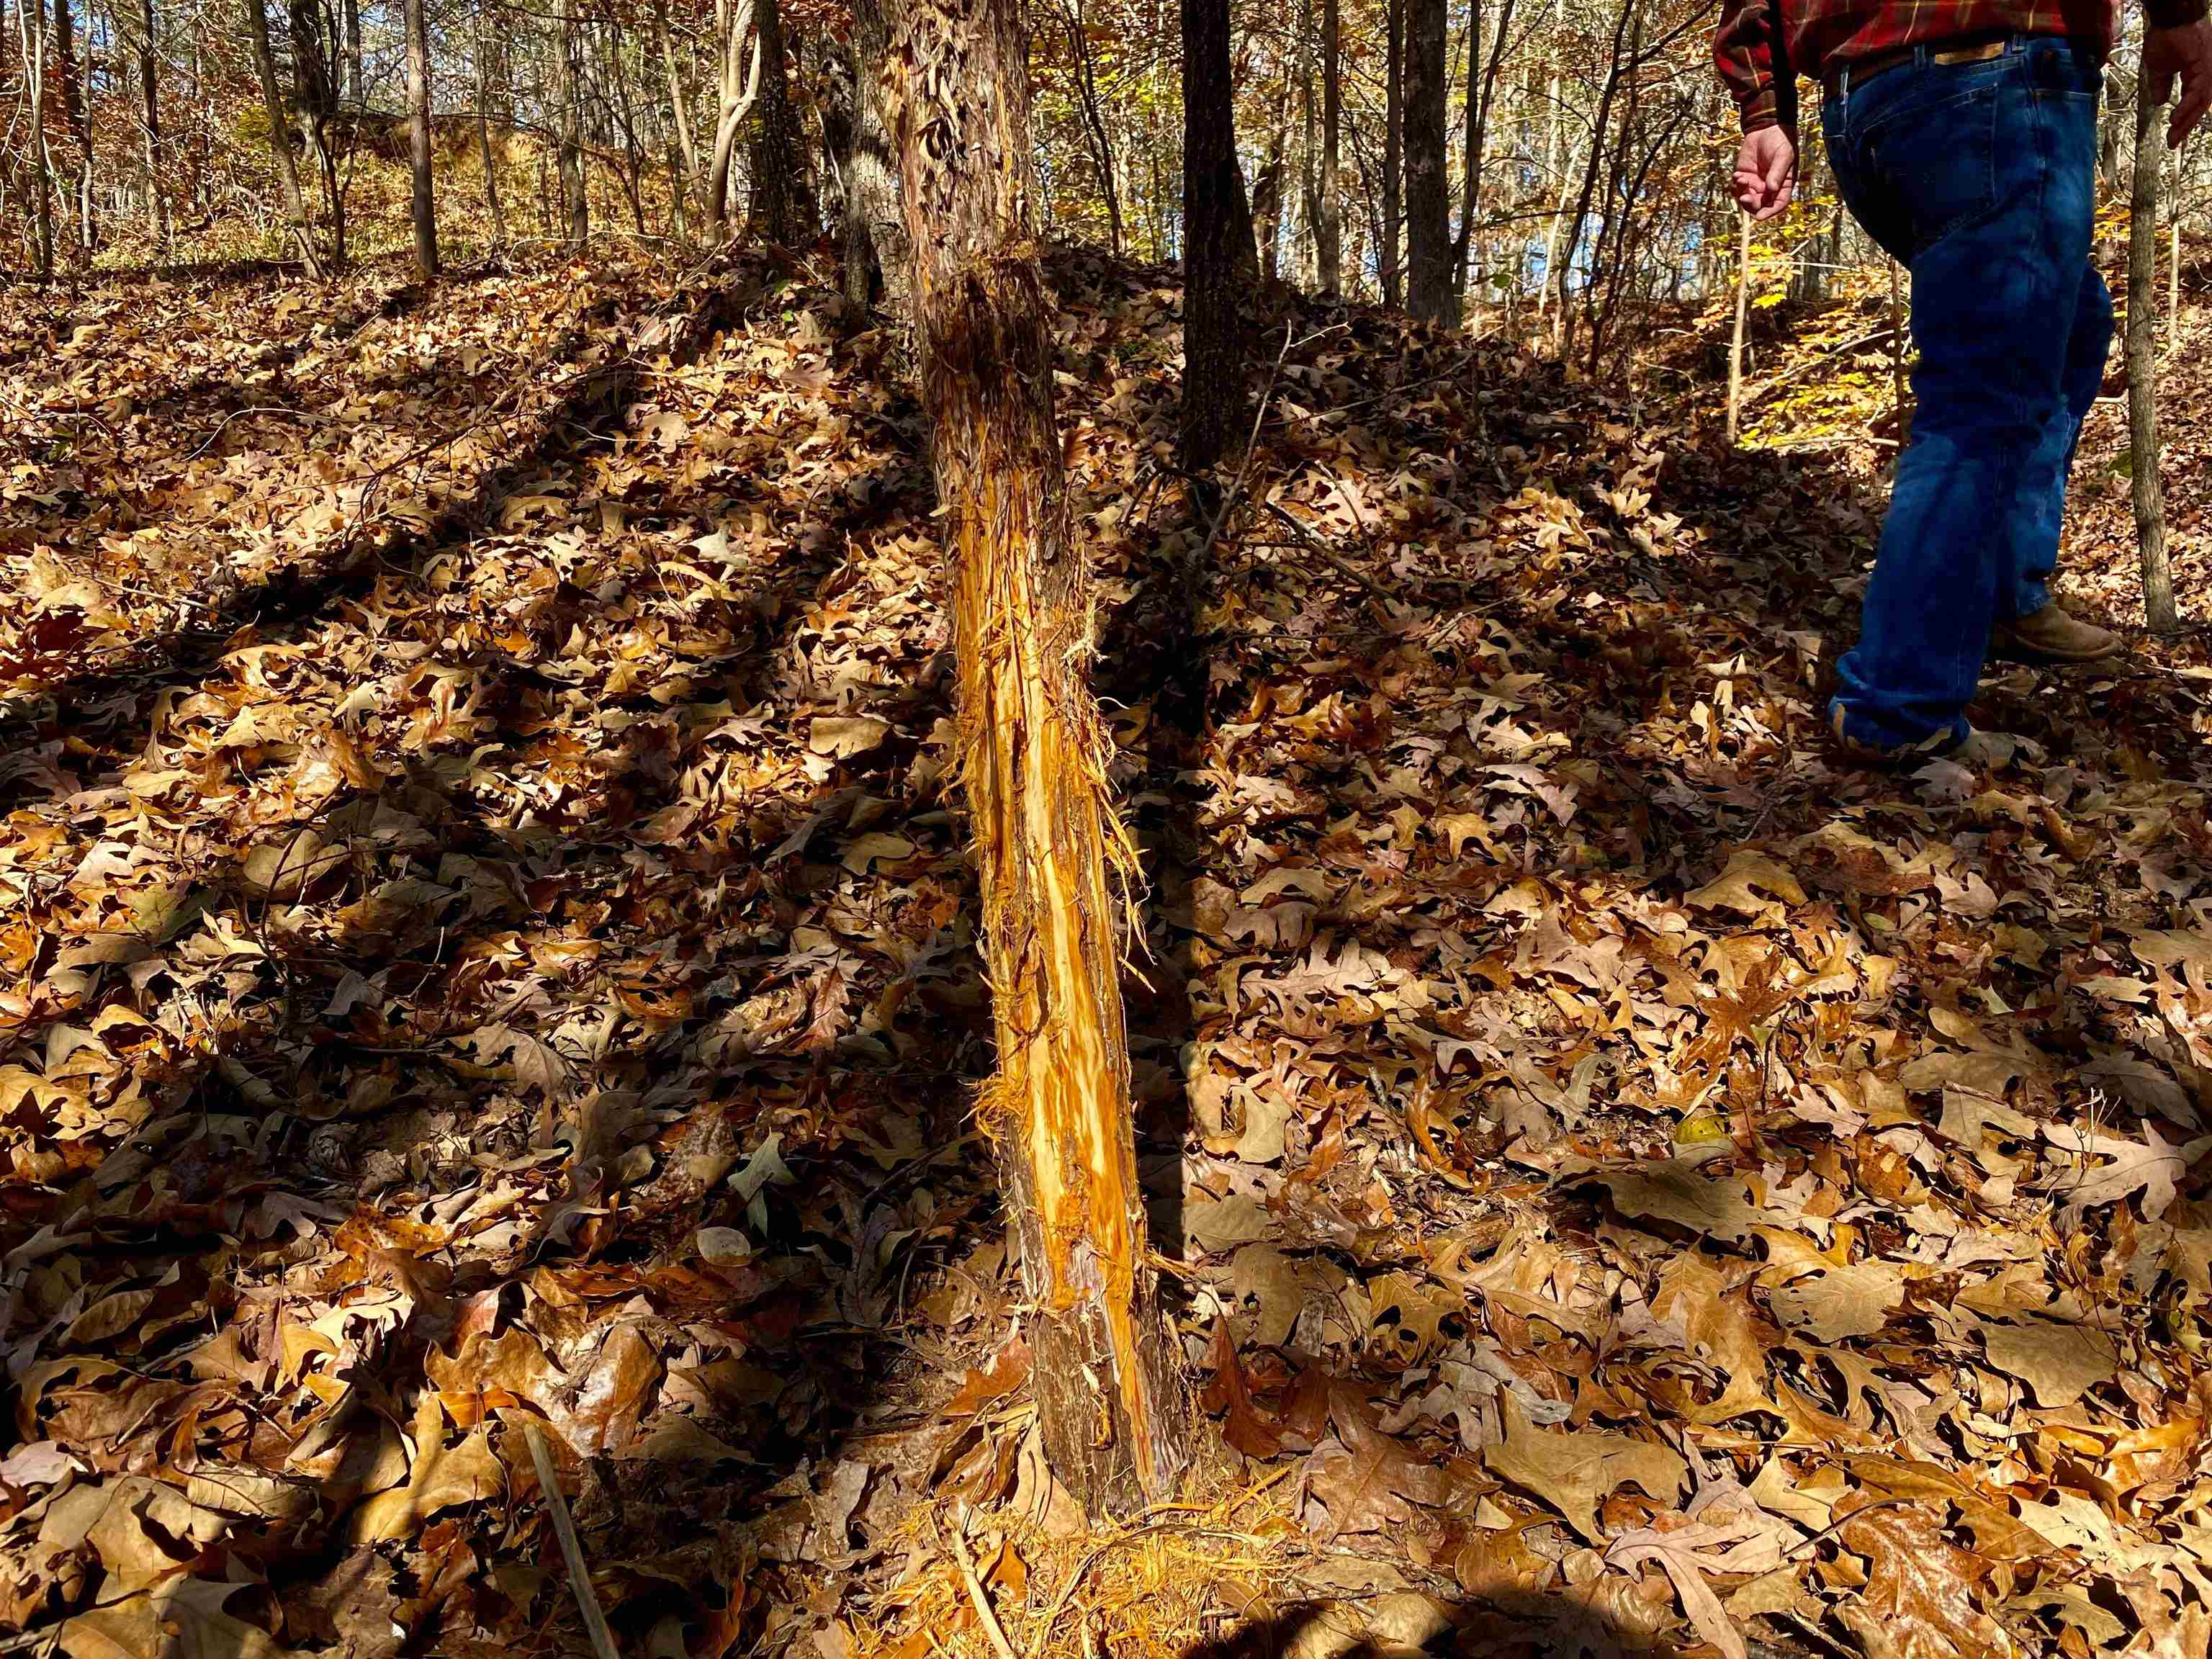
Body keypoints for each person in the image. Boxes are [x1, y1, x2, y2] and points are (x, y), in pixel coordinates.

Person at [1714, 0, 2212, 759]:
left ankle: (2006, 594)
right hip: (1994, 81)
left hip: (1866, 108)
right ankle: (1899, 710)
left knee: (2071, 323)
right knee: (1985, 392)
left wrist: (1764, 107)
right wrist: (2179, 14)